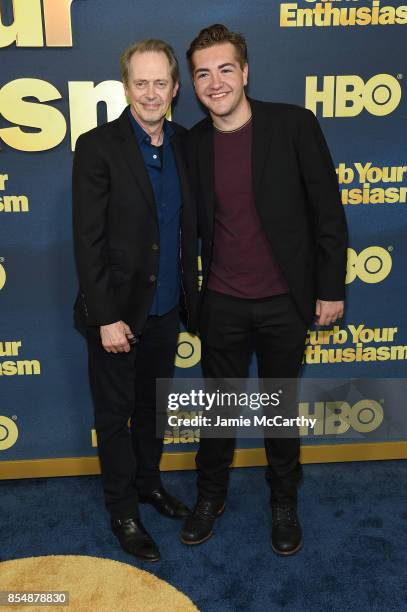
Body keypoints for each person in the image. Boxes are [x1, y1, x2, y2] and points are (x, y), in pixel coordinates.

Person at [180, 24, 348, 555]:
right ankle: (210, 496)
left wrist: (330, 287)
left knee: (279, 406)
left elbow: (328, 212)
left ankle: (283, 500)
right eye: (204, 73)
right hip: (223, 302)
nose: (216, 81)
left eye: (225, 69)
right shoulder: (193, 143)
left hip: (283, 301)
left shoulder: (293, 125)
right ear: (193, 83)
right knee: (219, 409)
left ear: (245, 72)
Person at [72, 39, 197, 562]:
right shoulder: (97, 145)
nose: (150, 93)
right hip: (117, 316)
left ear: (174, 89)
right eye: (140, 83)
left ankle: (149, 484)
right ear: (126, 87)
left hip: (168, 308)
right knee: (114, 415)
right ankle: (123, 509)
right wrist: (106, 318)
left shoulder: (188, 143)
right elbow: (88, 239)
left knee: (152, 409)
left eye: (160, 83)